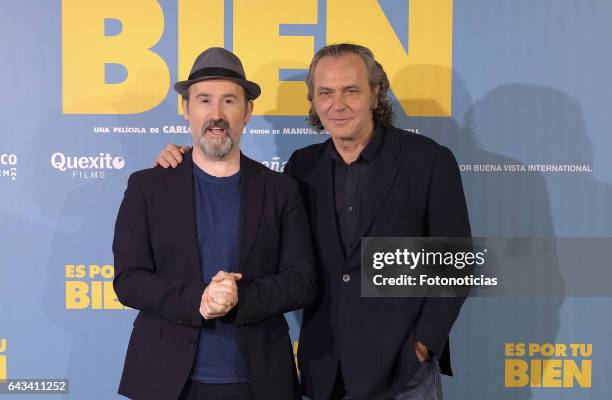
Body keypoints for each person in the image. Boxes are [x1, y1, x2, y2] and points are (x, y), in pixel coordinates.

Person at [155, 43, 471, 400]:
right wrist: (185, 160)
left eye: (351, 90)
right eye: (325, 93)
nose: (338, 104)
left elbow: (456, 265)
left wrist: (422, 344)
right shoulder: (302, 168)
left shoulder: (427, 161)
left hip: (403, 372)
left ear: (376, 92)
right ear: (314, 101)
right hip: (326, 368)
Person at [113, 47, 316, 400]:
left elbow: (303, 282)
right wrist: (200, 298)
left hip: (260, 381)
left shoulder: (281, 190)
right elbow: (129, 281)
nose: (216, 114)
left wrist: (242, 296)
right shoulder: (147, 186)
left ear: (247, 111)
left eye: (229, 101)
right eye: (204, 100)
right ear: (186, 109)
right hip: (166, 381)